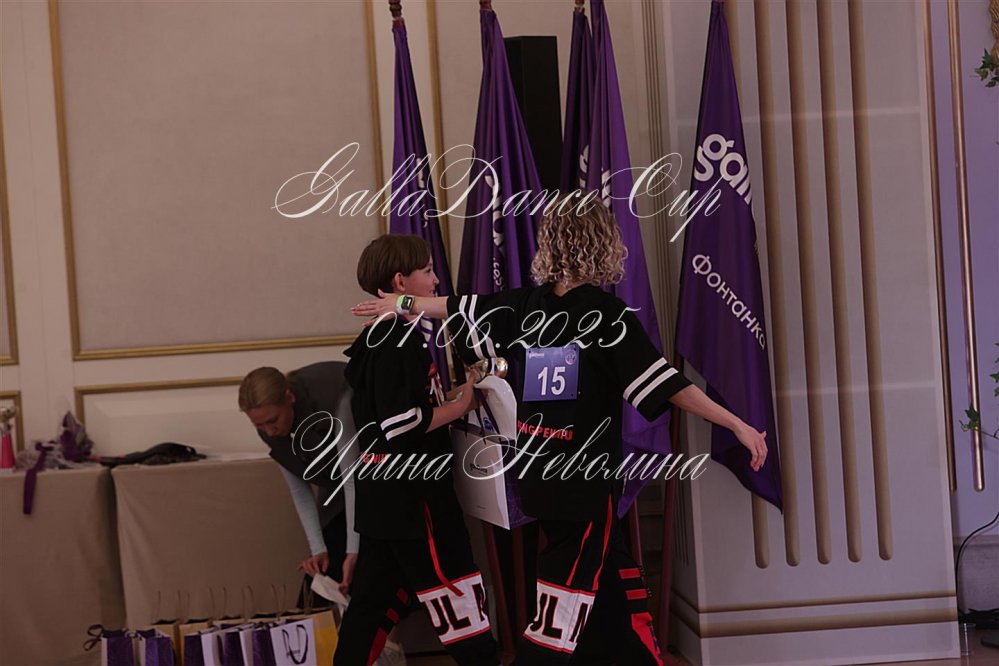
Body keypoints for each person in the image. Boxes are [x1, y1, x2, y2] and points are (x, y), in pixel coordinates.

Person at [350, 199, 768, 665]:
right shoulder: (607, 317)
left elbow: (453, 307)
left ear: (548, 246)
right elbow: (670, 387)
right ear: (606, 245)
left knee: (611, 575)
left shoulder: (525, 307)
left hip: (537, 479)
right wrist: (737, 423)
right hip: (583, 485)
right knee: (559, 615)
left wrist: (402, 302)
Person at [334, 235, 500, 666]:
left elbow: (398, 411)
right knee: (457, 595)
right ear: (399, 281)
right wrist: (461, 405)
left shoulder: (378, 336)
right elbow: (401, 424)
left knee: (369, 607)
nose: (436, 279)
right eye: (427, 270)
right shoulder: (396, 339)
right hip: (415, 498)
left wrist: (455, 398)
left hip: (383, 496)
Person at [239, 362, 358, 601]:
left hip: (378, 482)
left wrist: (353, 551)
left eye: (272, 420)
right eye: (259, 425)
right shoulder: (270, 428)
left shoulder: (336, 397)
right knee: (318, 587)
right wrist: (318, 550)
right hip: (338, 492)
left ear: (289, 398)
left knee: (361, 572)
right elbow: (300, 491)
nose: (269, 431)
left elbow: (351, 480)